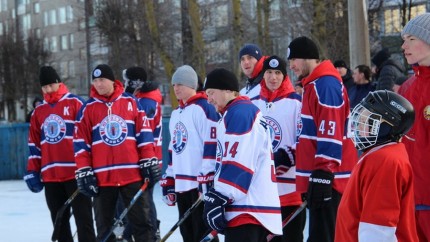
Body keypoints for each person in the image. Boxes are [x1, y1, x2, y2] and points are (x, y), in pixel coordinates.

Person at [73, 64, 161, 242]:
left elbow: (144, 135)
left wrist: (148, 160)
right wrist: (84, 170)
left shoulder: (131, 102)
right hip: (102, 179)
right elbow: (80, 144)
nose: (98, 84)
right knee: (104, 229)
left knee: (142, 224)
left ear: (113, 81)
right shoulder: (87, 109)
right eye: (95, 81)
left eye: (102, 80)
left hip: (132, 175)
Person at [287, 36, 358, 242]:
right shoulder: (313, 85)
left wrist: (323, 173)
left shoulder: (324, 85)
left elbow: (331, 131)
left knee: (326, 236)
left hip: (331, 178)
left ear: (308, 57)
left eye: (294, 60)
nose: (291, 66)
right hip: (321, 176)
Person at [202, 68, 282, 242]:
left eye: (211, 93)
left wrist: (219, 196)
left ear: (228, 91)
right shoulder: (235, 113)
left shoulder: (241, 113)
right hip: (246, 208)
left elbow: (238, 162)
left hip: (248, 210)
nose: (208, 99)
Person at [24, 66, 96, 242]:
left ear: (58, 83)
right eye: (44, 87)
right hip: (51, 176)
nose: (48, 90)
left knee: (84, 220)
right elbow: (34, 145)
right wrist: (33, 170)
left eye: (50, 85)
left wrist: (90, 167)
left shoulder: (76, 103)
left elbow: (89, 137)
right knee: (59, 221)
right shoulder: (38, 112)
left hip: (76, 173)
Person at [335, 90, 418, 242]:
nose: (358, 125)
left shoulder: (385, 161)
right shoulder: (379, 154)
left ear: (386, 127)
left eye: (366, 120)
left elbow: (378, 227)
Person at [160, 65, 220, 242]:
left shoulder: (204, 108)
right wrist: (169, 179)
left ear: (192, 85)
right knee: (187, 233)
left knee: (203, 234)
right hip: (181, 185)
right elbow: (173, 150)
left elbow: (212, 144)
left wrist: (207, 178)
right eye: (174, 85)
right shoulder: (177, 113)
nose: (176, 88)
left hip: (198, 185)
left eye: (180, 84)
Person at [252, 56, 305, 242]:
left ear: (285, 76)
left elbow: (305, 140)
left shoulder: (296, 103)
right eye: (268, 72)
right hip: (263, 189)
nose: (273, 77)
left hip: (290, 188)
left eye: (277, 73)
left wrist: (289, 156)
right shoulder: (253, 104)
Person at [400, 12, 430, 242]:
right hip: (410, 197)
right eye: (403, 39)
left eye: (411, 39)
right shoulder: (408, 87)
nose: (403, 46)